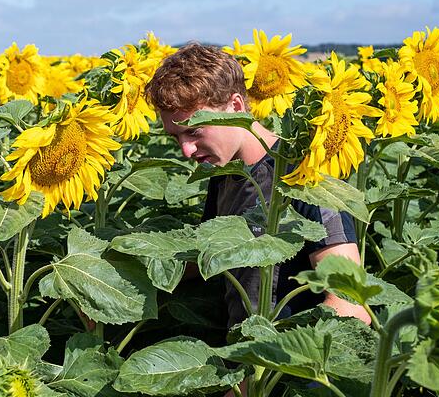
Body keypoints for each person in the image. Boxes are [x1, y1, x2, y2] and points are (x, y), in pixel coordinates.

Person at [145, 43, 370, 331]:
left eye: (194, 130)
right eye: (176, 137)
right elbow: (206, 254)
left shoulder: (305, 175)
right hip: (242, 359)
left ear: (236, 107)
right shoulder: (224, 171)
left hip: (291, 367)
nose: (186, 150)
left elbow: (349, 303)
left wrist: (271, 358)